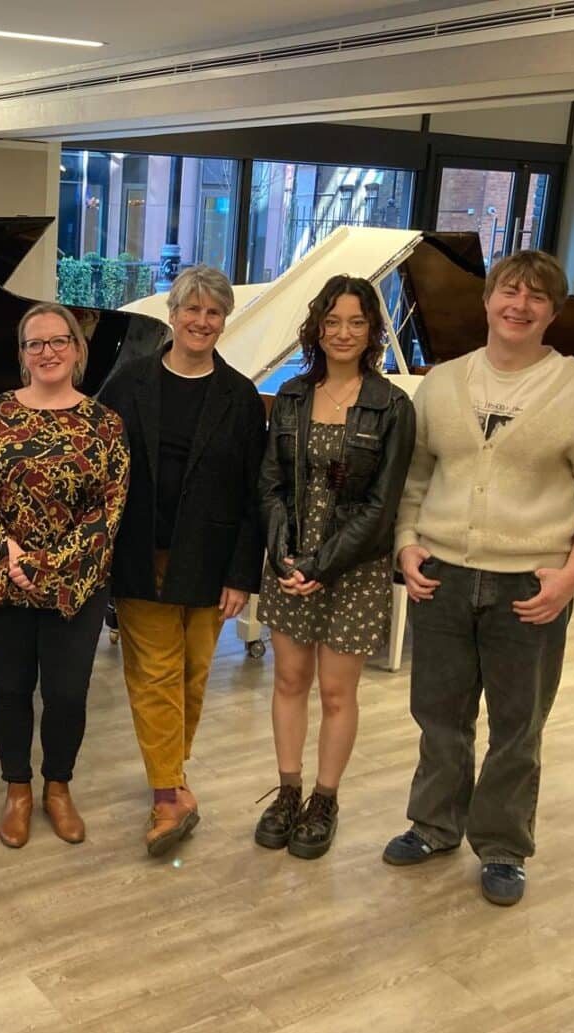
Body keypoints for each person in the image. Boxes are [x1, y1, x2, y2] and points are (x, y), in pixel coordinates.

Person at [384, 250, 574, 906]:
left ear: (554, 312)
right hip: (443, 576)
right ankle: (434, 824)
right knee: (438, 715)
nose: (519, 306)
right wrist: (407, 543)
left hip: (529, 585)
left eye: (536, 297)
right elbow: (415, 474)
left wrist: (572, 576)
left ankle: (502, 846)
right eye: (509, 291)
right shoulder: (443, 384)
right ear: (488, 299)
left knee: (517, 726)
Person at [98, 265, 266, 856]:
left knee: (193, 675)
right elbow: (99, 469)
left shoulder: (240, 397)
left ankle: (174, 774)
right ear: (172, 315)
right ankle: (168, 795)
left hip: (210, 559)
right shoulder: (129, 383)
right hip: (139, 554)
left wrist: (242, 575)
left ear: (224, 321)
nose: (201, 320)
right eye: (191, 309)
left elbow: (253, 494)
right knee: (154, 676)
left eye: (213, 312)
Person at [253, 276, 415, 859]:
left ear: (372, 331)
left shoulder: (392, 406)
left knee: (337, 693)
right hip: (291, 560)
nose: (343, 333)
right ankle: (288, 792)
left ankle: (325, 799)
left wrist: (322, 565)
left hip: (354, 567)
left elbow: (383, 506)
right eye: (332, 321)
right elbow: (270, 484)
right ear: (317, 328)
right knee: (288, 681)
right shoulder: (292, 395)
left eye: (356, 322)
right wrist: (284, 556)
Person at [0, 302, 129, 848]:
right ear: (22, 354)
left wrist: (50, 566)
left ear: (77, 349)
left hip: (77, 582)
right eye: (36, 343)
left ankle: (58, 786)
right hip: (2, 575)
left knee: (67, 692)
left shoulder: (105, 424)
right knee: (10, 687)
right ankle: (17, 789)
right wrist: (9, 553)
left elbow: (110, 505)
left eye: (59, 341)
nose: (48, 351)